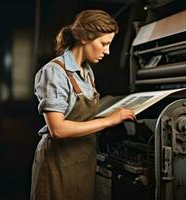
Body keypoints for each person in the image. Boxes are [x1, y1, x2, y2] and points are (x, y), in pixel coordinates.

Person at [30, 9, 136, 200]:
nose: (108, 51)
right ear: (85, 38)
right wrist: (109, 121)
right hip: (57, 165)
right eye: (104, 43)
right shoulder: (54, 72)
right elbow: (58, 129)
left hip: (83, 161)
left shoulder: (87, 71)